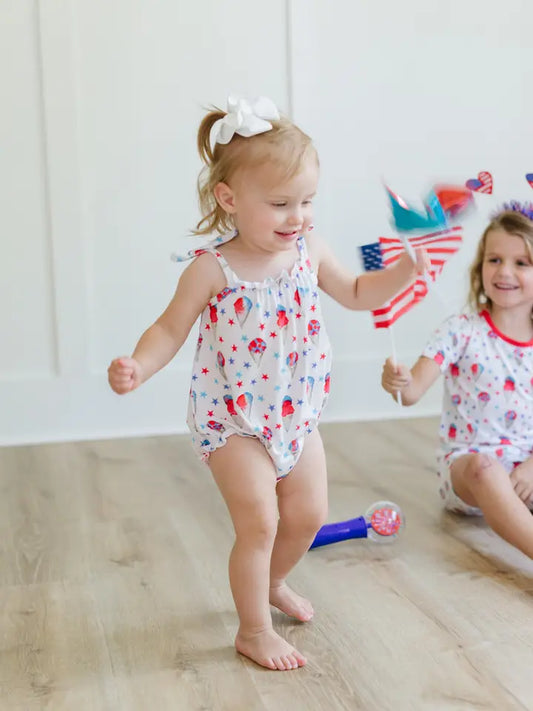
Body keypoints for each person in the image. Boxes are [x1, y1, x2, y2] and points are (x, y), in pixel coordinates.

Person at [108, 95, 427, 671]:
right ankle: (252, 629)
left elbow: (357, 293)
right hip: (232, 418)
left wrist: (400, 274)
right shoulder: (212, 268)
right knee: (260, 519)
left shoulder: (310, 251)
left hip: (296, 414)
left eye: (306, 201)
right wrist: (139, 365)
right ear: (230, 199)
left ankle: (272, 581)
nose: (298, 216)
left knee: (307, 515)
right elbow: (168, 329)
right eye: (280, 204)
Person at [381, 203, 533, 560]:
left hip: (527, 468)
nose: (504, 271)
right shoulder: (461, 331)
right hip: (469, 472)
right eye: (494, 259)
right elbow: (413, 391)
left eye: (521, 263)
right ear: (479, 268)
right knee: (484, 467)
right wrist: (398, 382)